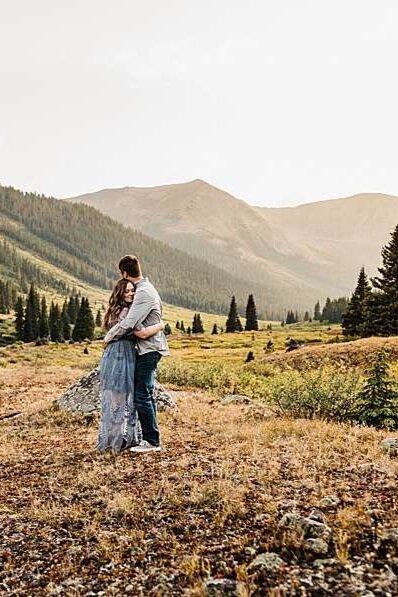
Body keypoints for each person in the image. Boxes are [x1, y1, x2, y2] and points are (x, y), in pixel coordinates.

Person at [104, 255, 169, 453]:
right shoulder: (146, 289)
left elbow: (129, 324)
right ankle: (148, 437)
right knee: (144, 394)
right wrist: (160, 324)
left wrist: (108, 337)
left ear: (124, 273)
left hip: (149, 349)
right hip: (146, 347)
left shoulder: (144, 292)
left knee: (142, 395)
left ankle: (151, 441)